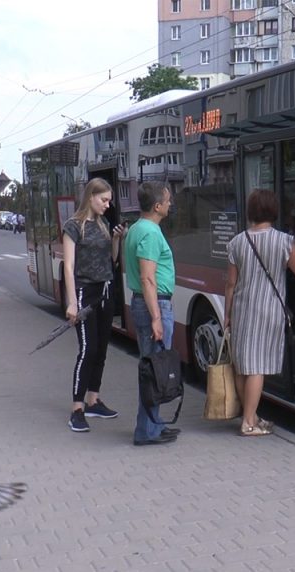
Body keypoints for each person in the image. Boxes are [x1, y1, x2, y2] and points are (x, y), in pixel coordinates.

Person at [224, 189, 295, 436]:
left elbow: (230, 284)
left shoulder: (237, 242)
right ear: (273, 211)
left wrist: (227, 315)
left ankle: (253, 416)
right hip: (269, 310)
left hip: (242, 309)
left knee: (242, 366)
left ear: (251, 212)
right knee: (257, 367)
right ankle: (248, 423)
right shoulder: (283, 241)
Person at [62, 178, 124, 433]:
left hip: (106, 289)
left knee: (101, 349)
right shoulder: (73, 226)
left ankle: (93, 400)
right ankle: (77, 408)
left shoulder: (103, 224)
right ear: (91, 197)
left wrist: (117, 240)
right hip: (84, 291)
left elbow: (111, 259)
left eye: (109, 200)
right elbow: (68, 266)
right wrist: (72, 303)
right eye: (104, 200)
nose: (108, 205)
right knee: (87, 349)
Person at [124, 181, 180, 446]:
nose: (170, 204)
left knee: (152, 368)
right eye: (168, 201)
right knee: (154, 371)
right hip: (153, 304)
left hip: (147, 303)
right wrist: (157, 317)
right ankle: (147, 431)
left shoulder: (137, 229)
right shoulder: (150, 233)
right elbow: (147, 278)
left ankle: (153, 426)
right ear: (157, 206)